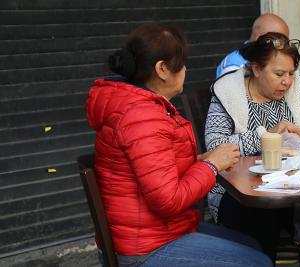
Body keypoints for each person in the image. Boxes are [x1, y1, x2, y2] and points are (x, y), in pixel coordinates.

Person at [85, 24, 272, 267]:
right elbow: (168, 199)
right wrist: (212, 165)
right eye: (181, 64)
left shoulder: (135, 106)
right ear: (162, 69)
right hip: (145, 249)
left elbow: (153, 170)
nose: (185, 70)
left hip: (159, 233)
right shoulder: (142, 117)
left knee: (253, 246)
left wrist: (199, 161)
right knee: (257, 262)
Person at [205, 32, 300, 260]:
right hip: (239, 191)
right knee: (263, 215)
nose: (287, 81)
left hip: (293, 184)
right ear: (256, 69)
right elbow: (215, 146)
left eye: (291, 73)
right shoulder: (227, 90)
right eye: (279, 74)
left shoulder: (299, 84)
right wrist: (266, 136)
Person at [216, 13, 289, 78]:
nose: (282, 46)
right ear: (259, 38)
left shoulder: (271, 57)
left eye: (285, 42)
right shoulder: (235, 65)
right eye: (277, 41)